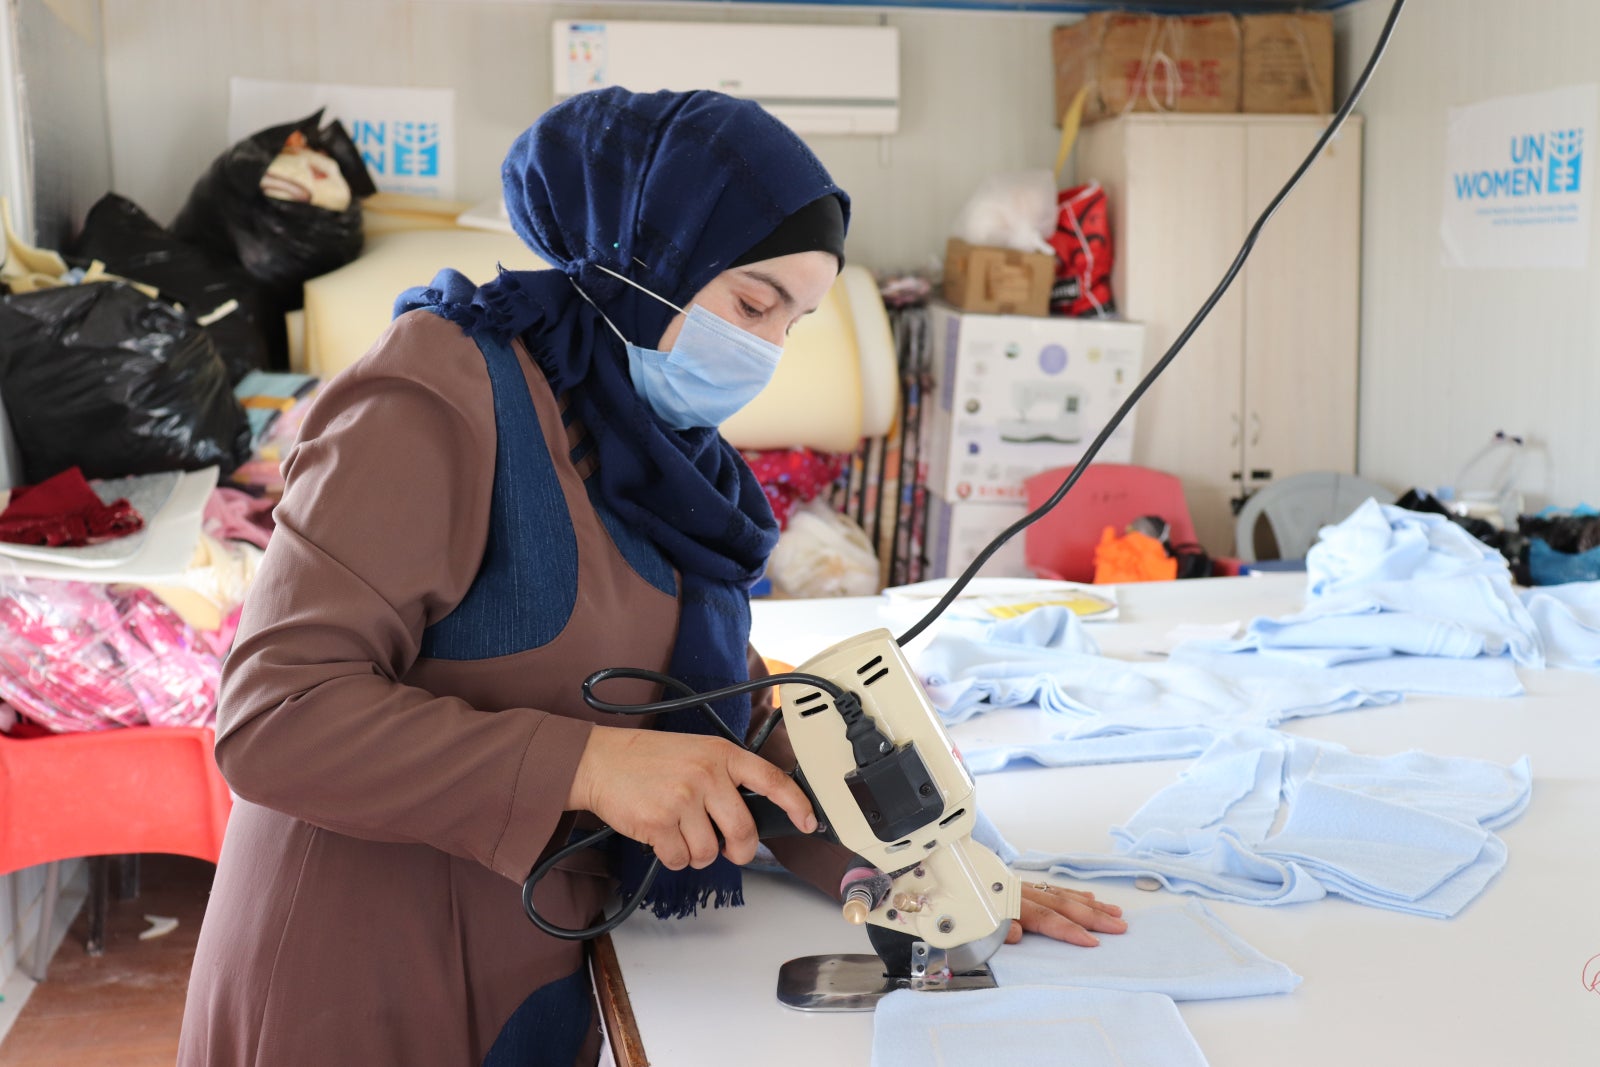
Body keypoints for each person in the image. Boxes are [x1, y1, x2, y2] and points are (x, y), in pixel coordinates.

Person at [178, 87, 1125, 1067]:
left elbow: (706, 700)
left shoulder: (656, 449)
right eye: (752, 302)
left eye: (791, 322)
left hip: (541, 961)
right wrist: (587, 763)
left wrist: (911, 861)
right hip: (360, 981)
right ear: (645, 252)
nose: (762, 350)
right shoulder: (436, 390)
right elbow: (276, 714)